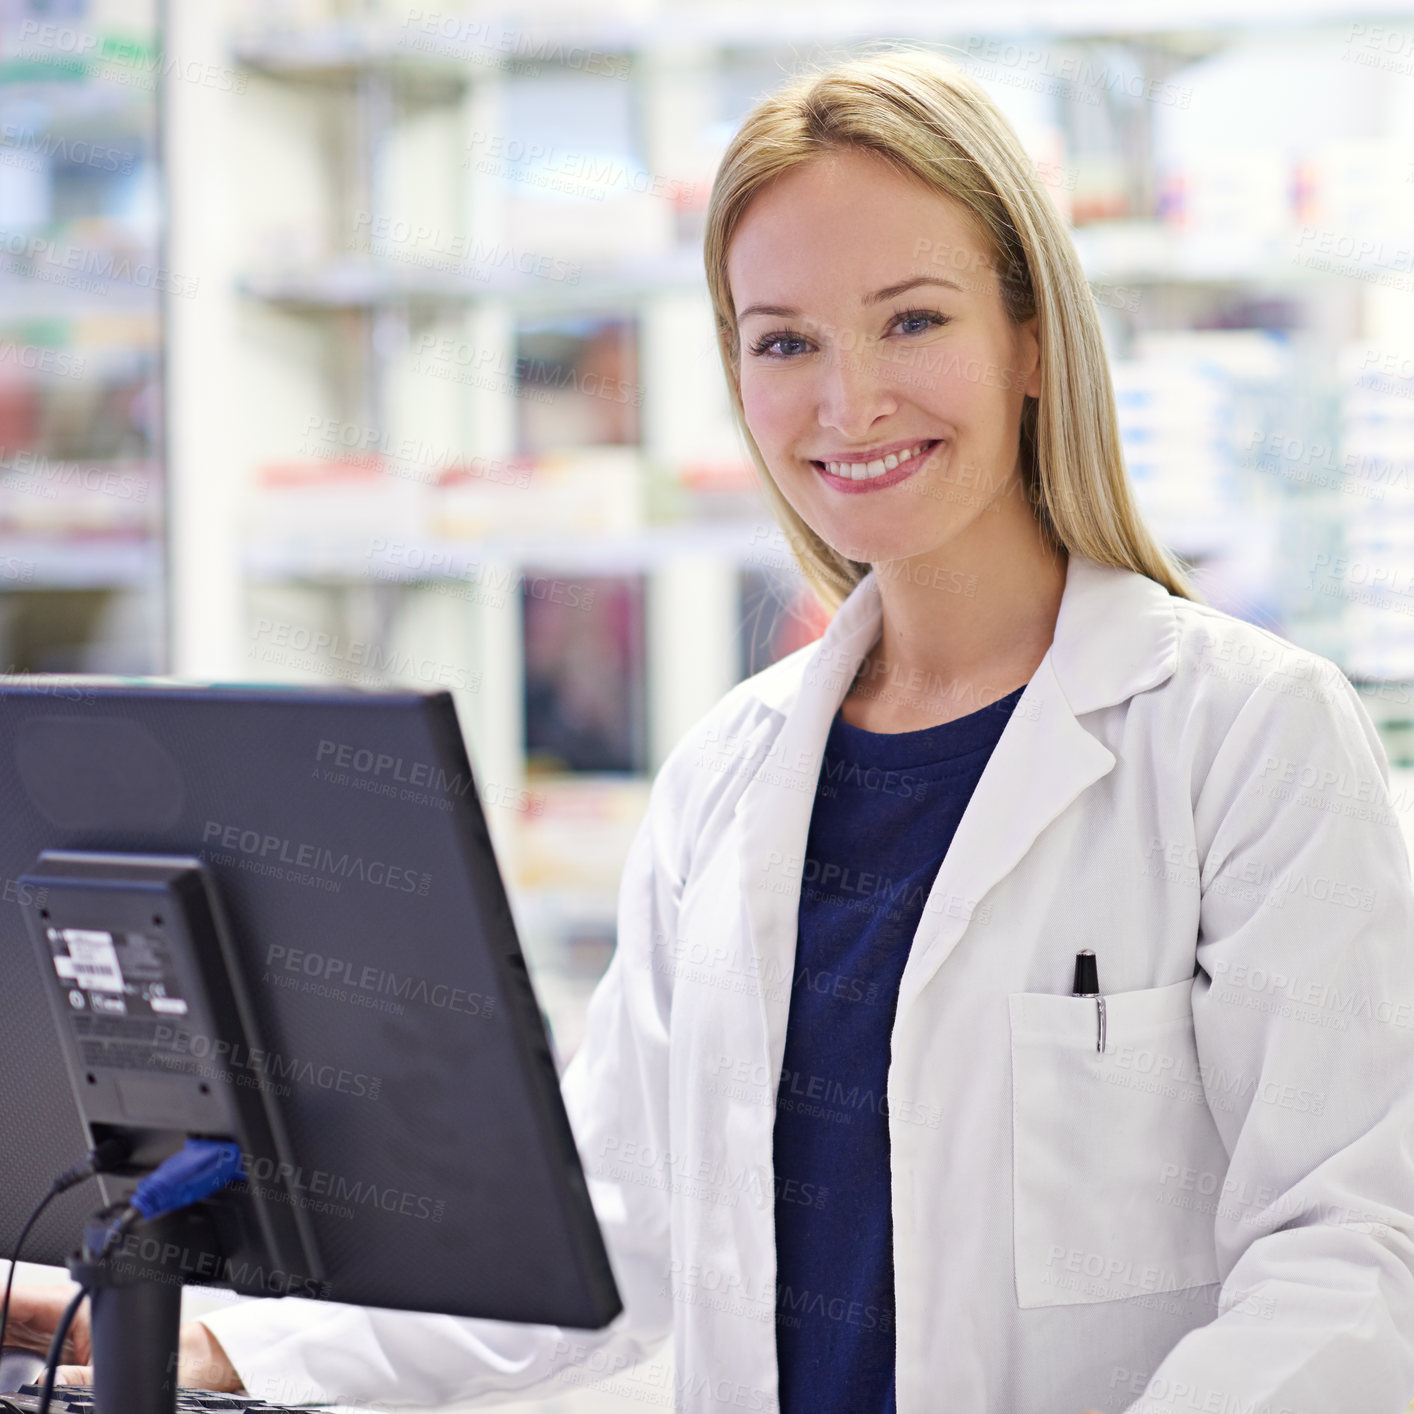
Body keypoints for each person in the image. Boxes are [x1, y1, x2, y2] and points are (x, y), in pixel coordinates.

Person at [10, 43, 1414, 1414]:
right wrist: (247, 1350)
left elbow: (1350, 1250)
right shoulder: (731, 777)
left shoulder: (1242, 736)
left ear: (1030, 336)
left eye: (911, 319)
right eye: (784, 341)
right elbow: (621, 1232)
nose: (846, 399)